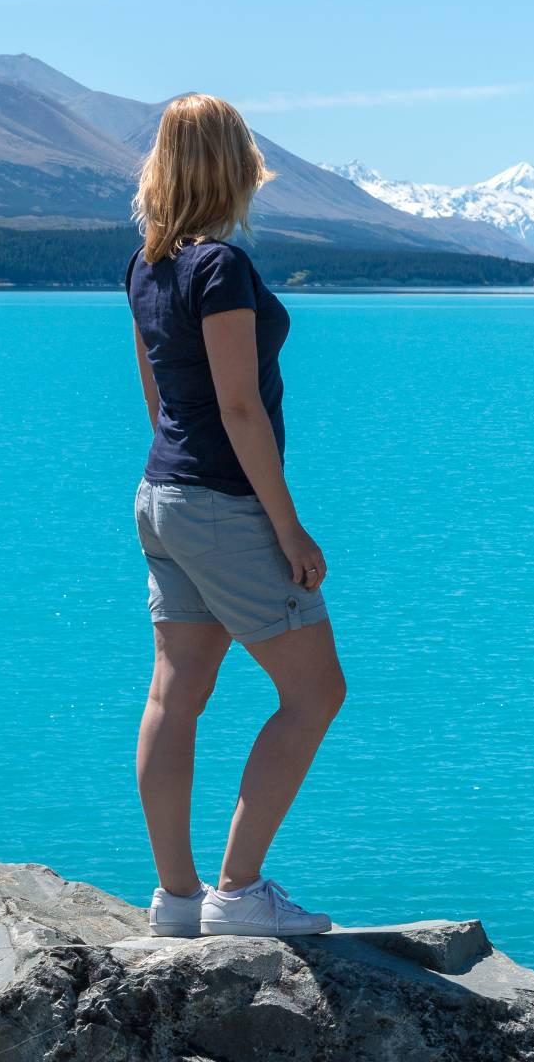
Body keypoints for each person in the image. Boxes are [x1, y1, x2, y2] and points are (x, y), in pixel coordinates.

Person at [124, 93, 346, 938]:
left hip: (163, 498)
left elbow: (158, 394)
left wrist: (182, 487)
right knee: (317, 690)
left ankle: (176, 903)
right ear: (233, 164)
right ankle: (238, 893)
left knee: (175, 693)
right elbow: (239, 406)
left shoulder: (146, 264)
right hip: (221, 503)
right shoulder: (221, 269)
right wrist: (286, 529)